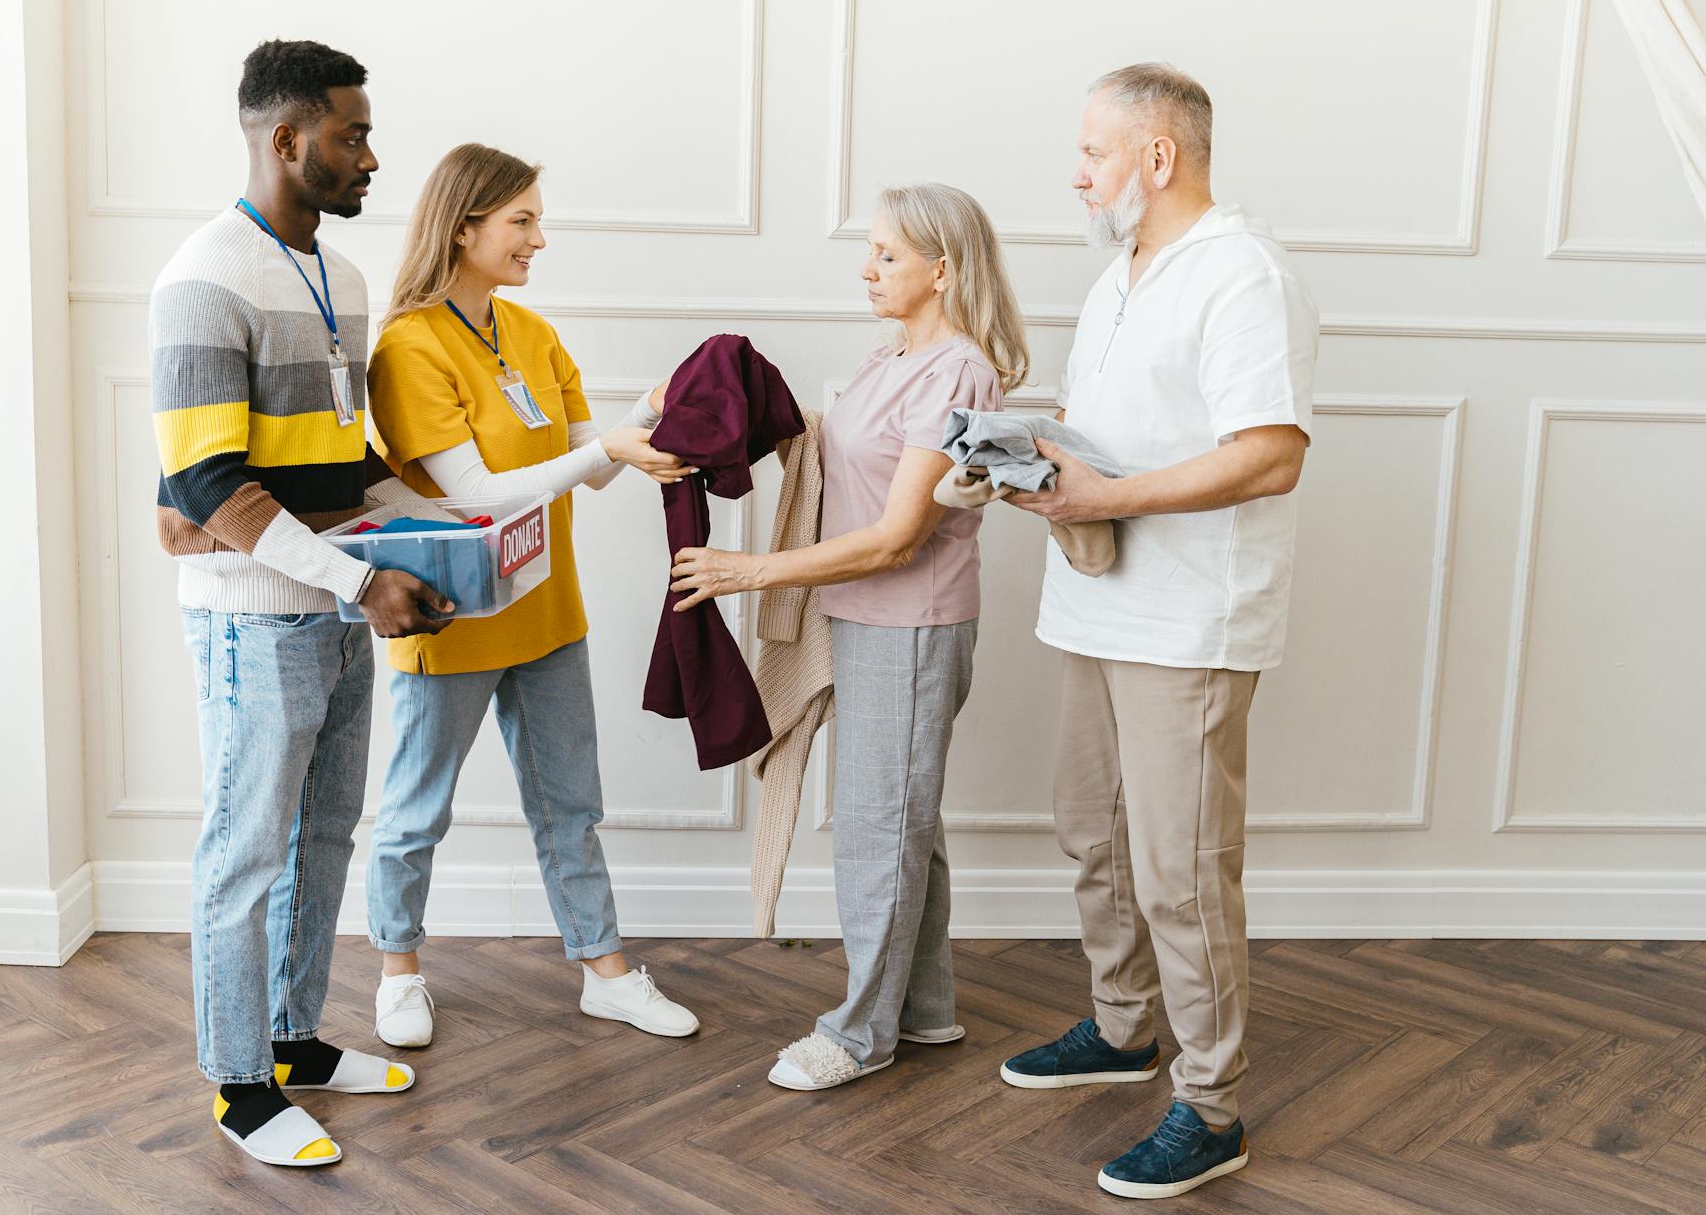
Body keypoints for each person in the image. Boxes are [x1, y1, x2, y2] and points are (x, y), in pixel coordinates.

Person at [998, 62, 1317, 1201]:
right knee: (1093, 827)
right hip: (1098, 597)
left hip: (1188, 619)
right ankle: (1125, 1022)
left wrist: (1105, 498)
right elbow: (1119, 432)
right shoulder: (1120, 273)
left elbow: (1269, 450)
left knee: (1182, 870)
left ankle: (1211, 1102)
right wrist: (1028, 459)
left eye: (1093, 151)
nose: (1076, 171)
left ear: (1160, 156)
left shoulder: (1240, 274)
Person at [150, 40, 455, 1167]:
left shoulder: (346, 277)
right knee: (245, 851)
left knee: (325, 829)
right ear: (286, 139)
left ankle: (293, 1038)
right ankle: (239, 1085)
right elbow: (205, 484)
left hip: (331, 609)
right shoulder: (203, 276)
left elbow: (340, 469)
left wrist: (442, 536)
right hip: (250, 617)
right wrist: (363, 577)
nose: (371, 156)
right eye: (352, 133)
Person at [669, 183, 1026, 1091]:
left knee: (880, 827)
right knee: (906, 819)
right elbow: (847, 457)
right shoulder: (892, 356)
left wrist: (746, 570)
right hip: (864, 618)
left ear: (943, 269)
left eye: (888, 255)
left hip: (910, 622)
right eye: (870, 251)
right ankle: (925, 1007)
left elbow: (899, 535)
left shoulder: (956, 371)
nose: (867, 268)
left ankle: (860, 1034)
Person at [363, 143, 701, 1046]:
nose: (538, 240)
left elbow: (591, 469)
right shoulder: (408, 347)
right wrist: (611, 450)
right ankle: (398, 971)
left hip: (547, 609)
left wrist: (659, 416)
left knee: (570, 803)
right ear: (463, 225)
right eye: (523, 221)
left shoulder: (532, 335)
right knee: (415, 810)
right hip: (454, 617)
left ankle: (605, 972)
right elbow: (473, 493)